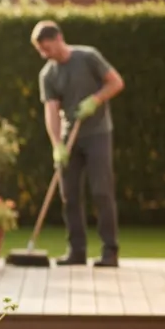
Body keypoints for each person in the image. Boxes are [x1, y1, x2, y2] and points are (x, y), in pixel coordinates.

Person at [31, 19, 126, 267]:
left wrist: (95, 100)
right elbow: (51, 111)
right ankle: (77, 251)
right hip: (69, 137)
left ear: (58, 38)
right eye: (40, 50)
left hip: (98, 133)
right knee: (69, 195)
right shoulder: (48, 74)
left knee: (102, 192)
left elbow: (116, 82)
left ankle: (110, 252)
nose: (44, 54)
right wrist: (56, 145)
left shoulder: (88, 57)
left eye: (46, 48)